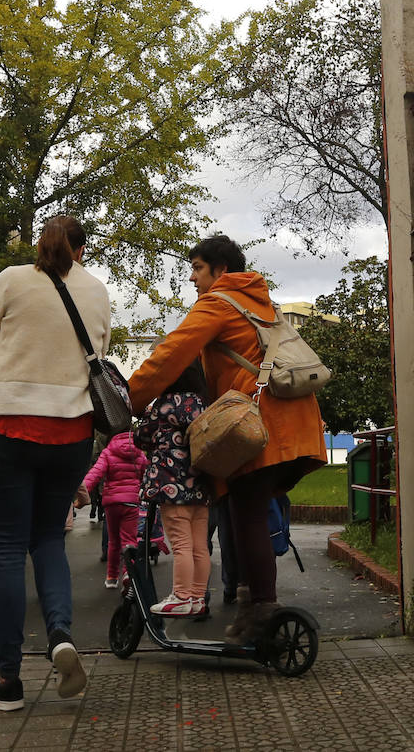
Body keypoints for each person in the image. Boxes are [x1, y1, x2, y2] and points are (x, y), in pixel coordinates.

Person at [127, 234, 327, 646]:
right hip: (294, 422)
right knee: (243, 510)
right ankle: (251, 609)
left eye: (198, 269)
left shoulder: (219, 302)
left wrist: (130, 398)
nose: (193, 279)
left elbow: (172, 352)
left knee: (247, 513)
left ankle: (262, 614)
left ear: (220, 270)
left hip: (257, 424)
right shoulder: (260, 303)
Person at [0, 215, 108, 711]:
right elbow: (99, 353)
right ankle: (60, 635)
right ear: (82, 249)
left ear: (41, 244)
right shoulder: (97, 290)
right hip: (72, 431)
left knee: (8, 546)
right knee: (49, 537)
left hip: (11, 425)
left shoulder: (11, 279)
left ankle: (7, 680)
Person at [132, 359, 210, 617]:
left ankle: (180, 596)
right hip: (200, 485)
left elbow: (140, 437)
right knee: (200, 546)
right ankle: (197, 598)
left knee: (181, 545)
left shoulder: (164, 405)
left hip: (170, 484)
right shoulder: (203, 405)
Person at [81, 432, 146, 588]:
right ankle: (128, 574)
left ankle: (111, 577)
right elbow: (146, 475)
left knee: (114, 542)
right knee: (129, 540)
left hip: (112, 503)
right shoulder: (139, 453)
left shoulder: (108, 451)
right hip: (131, 501)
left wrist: (82, 492)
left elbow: (96, 474)